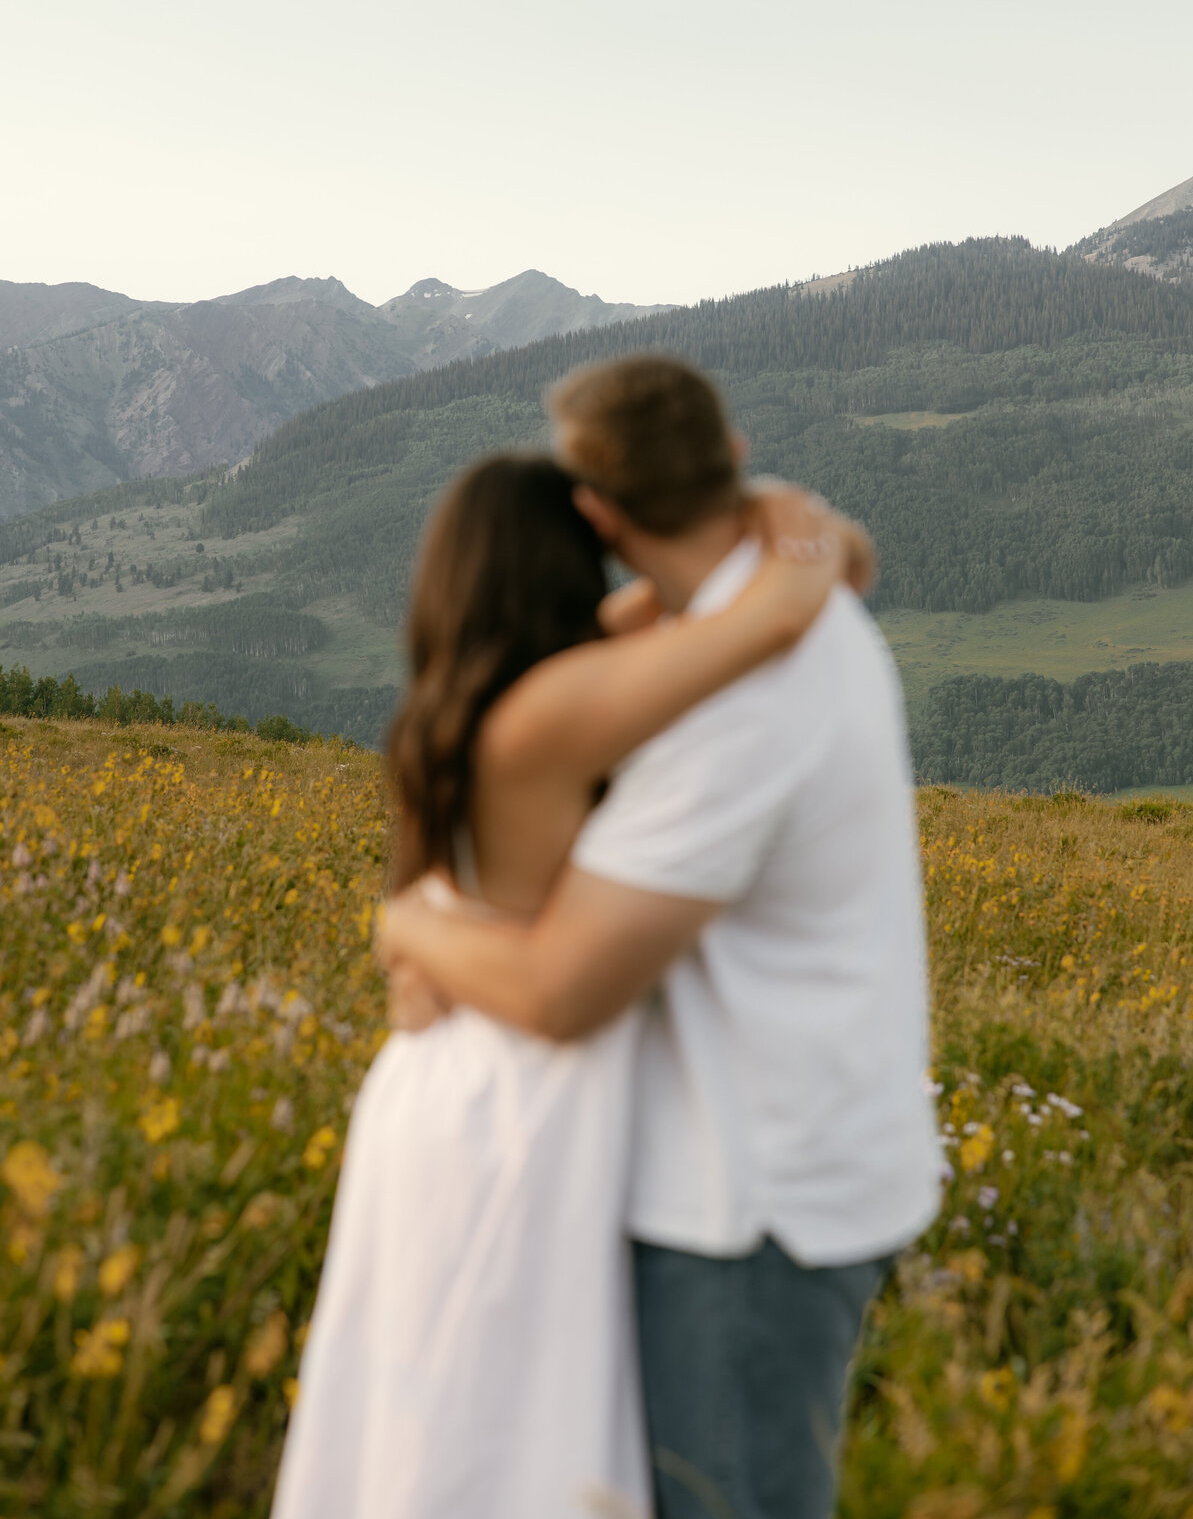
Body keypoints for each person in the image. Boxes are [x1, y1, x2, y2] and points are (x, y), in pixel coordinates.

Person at [378, 355, 944, 1519]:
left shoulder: (729, 699)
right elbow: (794, 572)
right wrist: (804, 540)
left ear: (603, 513)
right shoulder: (745, 623)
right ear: (730, 459)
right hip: (757, 1155)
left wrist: (407, 927)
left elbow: (562, 989)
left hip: (753, 1194)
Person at [271, 447, 866, 1519]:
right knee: (516, 1426)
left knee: (422, 1409)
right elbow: (786, 607)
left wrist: (406, 926)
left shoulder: (462, 697)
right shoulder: (565, 705)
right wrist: (753, 503)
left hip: (432, 1086)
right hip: (525, 1097)